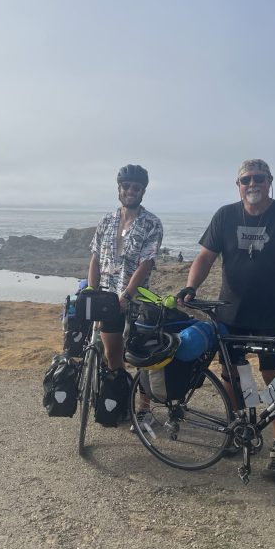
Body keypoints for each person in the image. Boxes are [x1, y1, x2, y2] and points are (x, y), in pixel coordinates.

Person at [177, 158, 275, 480]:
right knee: (234, 376)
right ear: (237, 185)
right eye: (246, 179)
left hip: (271, 315)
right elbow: (205, 256)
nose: (253, 184)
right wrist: (190, 286)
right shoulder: (225, 216)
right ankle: (238, 430)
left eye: (259, 178)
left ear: (270, 181)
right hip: (231, 314)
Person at [88, 164, 163, 418]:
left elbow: (146, 262)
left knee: (140, 357)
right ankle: (118, 397)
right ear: (119, 189)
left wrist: (128, 294)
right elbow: (95, 259)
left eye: (136, 187)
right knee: (113, 354)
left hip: (136, 299)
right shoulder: (106, 221)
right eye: (126, 186)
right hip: (107, 300)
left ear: (143, 191)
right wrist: (90, 291)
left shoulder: (152, 223)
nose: (131, 191)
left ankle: (144, 408)